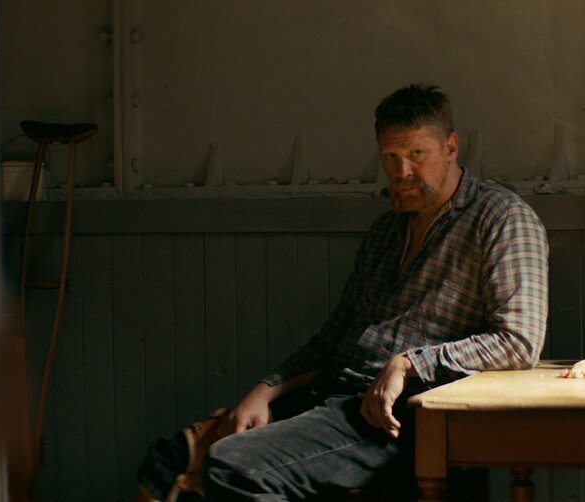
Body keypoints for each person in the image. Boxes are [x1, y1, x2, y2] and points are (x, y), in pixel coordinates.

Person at [137, 83, 549, 501]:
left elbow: (519, 341)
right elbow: (336, 336)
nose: (402, 171)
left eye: (416, 154)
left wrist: (409, 364)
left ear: (451, 147)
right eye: (391, 157)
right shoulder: (386, 232)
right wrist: (265, 390)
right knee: (170, 459)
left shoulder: (501, 218)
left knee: (232, 466)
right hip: (335, 396)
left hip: (398, 417)